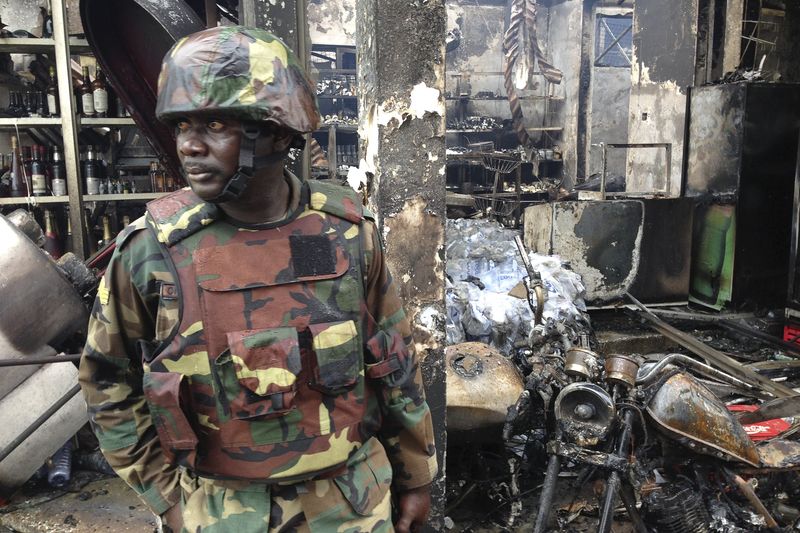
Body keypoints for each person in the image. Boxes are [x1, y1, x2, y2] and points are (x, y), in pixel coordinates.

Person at [78, 25, 437, 533]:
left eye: (216, 124)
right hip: (223, 512)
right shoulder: (151, 252)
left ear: (277, 131)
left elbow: (394, 360)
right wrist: (168, 501)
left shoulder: (348, 234)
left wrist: (416, 478)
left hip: (352, 505)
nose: (190, 146)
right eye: (182, 126)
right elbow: (106, 381)